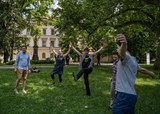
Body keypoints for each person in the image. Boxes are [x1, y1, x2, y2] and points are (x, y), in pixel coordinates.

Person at [112, 34, 155, 114]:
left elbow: (122, 53)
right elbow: (141, 69)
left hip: (123, 96)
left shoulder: (125, 57)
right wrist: (150, 73)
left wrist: (124, 43)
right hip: (132, 96)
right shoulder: (133, 59)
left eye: (118, 47)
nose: (117, 49)